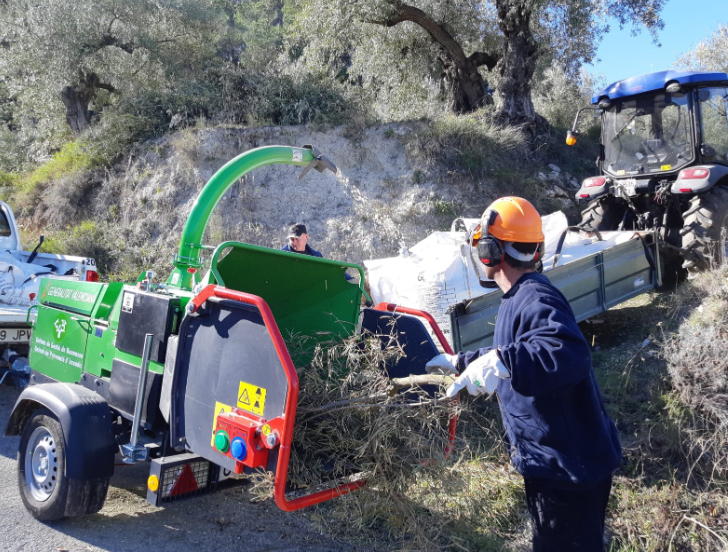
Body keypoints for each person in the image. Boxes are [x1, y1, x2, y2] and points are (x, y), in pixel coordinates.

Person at [426, 196, 621, 552]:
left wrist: (505, 363)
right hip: (554, 463)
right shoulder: (519, 296)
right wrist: (462, 361)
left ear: (490, 251)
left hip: (567, 470)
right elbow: (515, 350)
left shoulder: (535, 298)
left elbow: (566, 351)